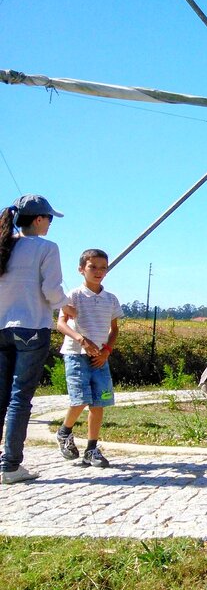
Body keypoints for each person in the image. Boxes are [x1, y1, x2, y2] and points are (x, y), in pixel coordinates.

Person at [0, 194, 75, 484]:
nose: (51, 224)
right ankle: (10, 465)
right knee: (20, 399)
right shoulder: (46, 248)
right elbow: (52, 290)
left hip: (1, 328)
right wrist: (66, 304)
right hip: (31, 328)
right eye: (50, 218)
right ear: (39, 219)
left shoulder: (5, 245)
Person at [54, 249, 122, 468]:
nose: (99, 272)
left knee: (98, 402)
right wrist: (81, 339)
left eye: (103, 268)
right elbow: (61, 323)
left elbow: (114, 329)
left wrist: (107, 351)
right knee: (80, 399)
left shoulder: (111, 299)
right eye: (93, 267)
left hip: (100, 359)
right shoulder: (73, 296)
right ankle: (65, 431)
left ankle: (91, 449)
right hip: (76, 354)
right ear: (82, 269)